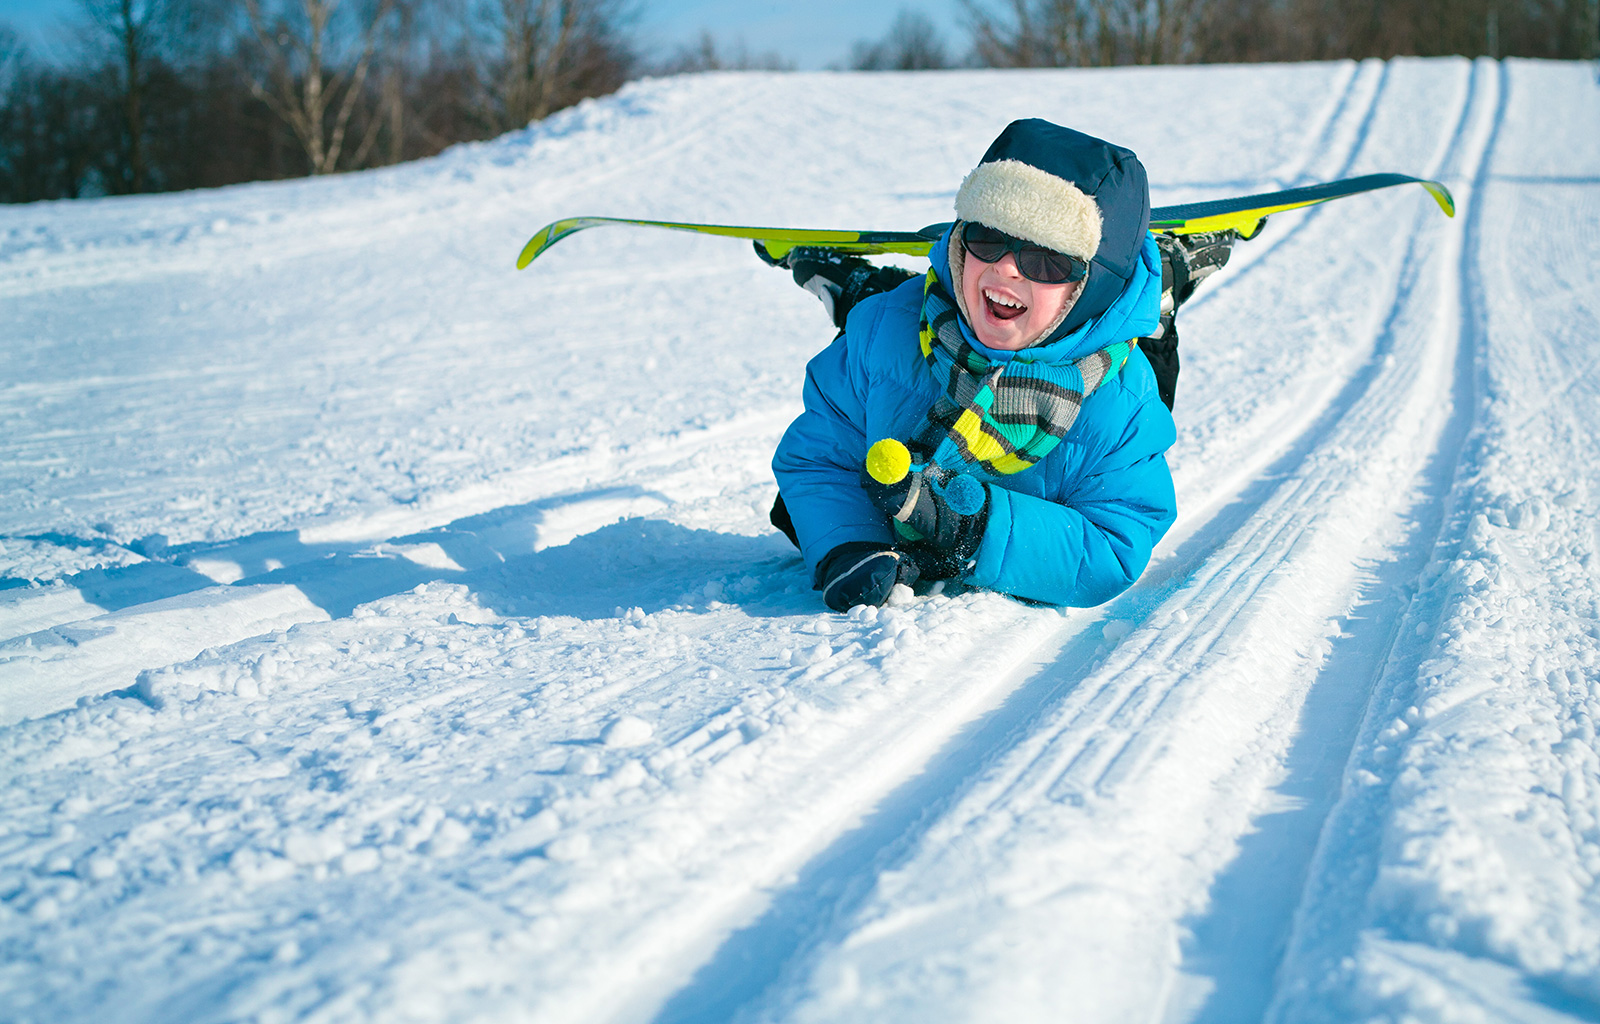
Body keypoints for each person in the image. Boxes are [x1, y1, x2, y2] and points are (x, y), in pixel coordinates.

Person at [767, 118, 1230, 612]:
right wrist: (850, 547)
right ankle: (855, 285)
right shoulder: (884, 332)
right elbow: (818, 459)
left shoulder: (1124, 403)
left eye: (1047, 261)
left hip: (1091, 375)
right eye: (987, 240)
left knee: (1152, 349)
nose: (1006, 267)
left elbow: (1113, 544)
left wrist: (975, 527)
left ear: (1088, 286)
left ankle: (1168, 277)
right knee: (804, 510)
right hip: (910, 325)